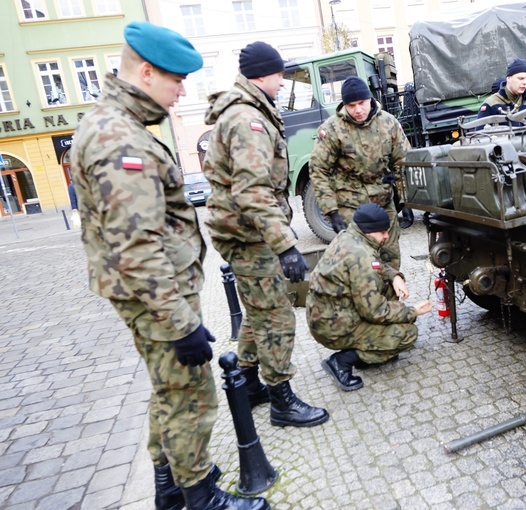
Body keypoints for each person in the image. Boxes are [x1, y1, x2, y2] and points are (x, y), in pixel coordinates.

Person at [70, 22, 268, 510]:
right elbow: (137, 247)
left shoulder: (118, 123)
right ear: (146, 71)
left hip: (155, 294)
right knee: (188, 394)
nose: (181, 92)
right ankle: (199, 496)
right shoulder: (120, 139)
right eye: (176, 80)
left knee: (167, 390)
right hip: (157, 300)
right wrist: (182, 325)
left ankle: (170, 483)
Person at [203, 41, 329, 428]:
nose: (283, 81)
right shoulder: (247, 119)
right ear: (266, 73)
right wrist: (286, 245)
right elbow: (252, 190)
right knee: (276, 315)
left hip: (245, 230)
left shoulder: (248, 110)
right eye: (281, 74)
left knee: (257, 313)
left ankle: (248, 384)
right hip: (250, 234)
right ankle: (281, 400)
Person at [306, 203, 432, 391]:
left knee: (389, 287)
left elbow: (376, 265)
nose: (387, 236)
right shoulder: (362, 257)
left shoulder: (350, 236)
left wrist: (394, 276)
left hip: (327, 314)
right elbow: (375, 311)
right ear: (369, 231)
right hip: (333, 328)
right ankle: (341, 361)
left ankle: (371, 347)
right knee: (407, 334)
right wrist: (412, 311)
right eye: (382, 232)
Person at [308, 75, 410, 269]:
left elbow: (403, 162)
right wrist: (331, 211)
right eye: (351, 105)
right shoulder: (332, 129)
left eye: (362, 103)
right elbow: (318, 169)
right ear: (344, 105)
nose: (358, 110)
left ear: (370, 99)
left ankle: (391, 297)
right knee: (359, 264)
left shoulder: (388, 123)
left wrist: (406, 199)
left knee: (390, 258)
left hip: (383, 202)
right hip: (350, 206)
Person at [476, 58, 526, 126]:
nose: (525, 82)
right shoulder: (491, 104)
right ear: (508, 79)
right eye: (520, 78)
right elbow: (480, 134)